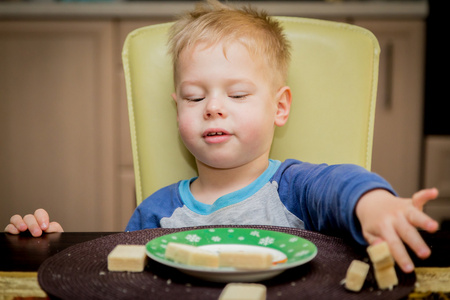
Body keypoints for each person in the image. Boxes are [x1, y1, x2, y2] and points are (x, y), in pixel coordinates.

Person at [5, 0, 439, 275]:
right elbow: (120, 279)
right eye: (195, 97)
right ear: (178, 110)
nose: (213, 107)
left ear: (279, 107)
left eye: (236, 94)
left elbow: (340, 185)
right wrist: (51, 249)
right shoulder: (156, 212)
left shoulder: (293, 187)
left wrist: (374, 202)